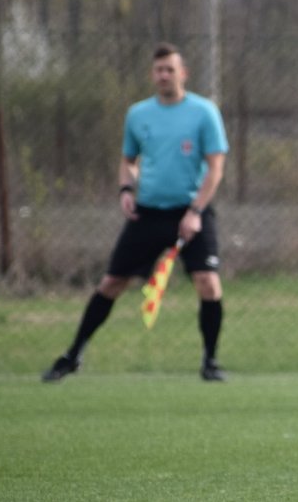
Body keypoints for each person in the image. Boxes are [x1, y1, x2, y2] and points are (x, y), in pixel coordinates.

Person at [43, 43, 230, 383]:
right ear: (152, 74)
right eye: (159, 70)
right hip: (148, 214)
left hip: (192, 212)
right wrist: (126, 189)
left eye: (170, 69)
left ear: (183, 73)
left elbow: (215, 168)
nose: (164, 75)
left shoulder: (204, 112)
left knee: (208, 282)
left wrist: (195, 211)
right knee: (112, 282)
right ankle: (73, 355)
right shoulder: (138, 115)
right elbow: (128, 161)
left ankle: (210, 361)